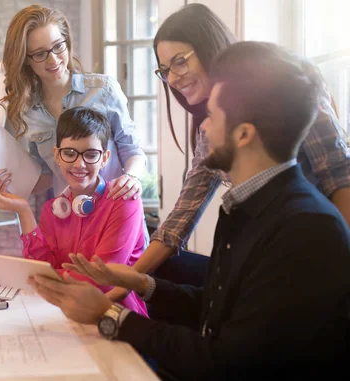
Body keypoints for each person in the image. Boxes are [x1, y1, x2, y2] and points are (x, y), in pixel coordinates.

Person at [29, 42, 350, 380]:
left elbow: (228, 361)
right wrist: (141, 282)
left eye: (212, 116)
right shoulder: (247, 208)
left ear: (243, 135)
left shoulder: (305, 229)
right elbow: (218, 307)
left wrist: (109, 315)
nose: (203, 128)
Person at [119, 3, 350, 295]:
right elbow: (180, 218)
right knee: (161, 275)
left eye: (179, 61)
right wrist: (122, 282)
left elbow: (341, 176)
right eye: (165, 70)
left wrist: (336, 265)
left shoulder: (285, 87)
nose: (173, 79)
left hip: (307, 248)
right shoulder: (211, 126)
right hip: (264, 249)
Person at [0, 107, 147, 316]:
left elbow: (101, 278)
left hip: (117, 316)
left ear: (104, 158)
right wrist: (23, 210)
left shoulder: (124, 201)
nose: (79, 164)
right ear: (57, 155)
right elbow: (41, 268)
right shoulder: (54, 209)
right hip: (62, 313)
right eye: (69, 153)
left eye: (91, 154)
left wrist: (46, 278)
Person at [0, 5, 147, 203]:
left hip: (116, 213)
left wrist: (131, 177)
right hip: (70, 221)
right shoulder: (28, 112)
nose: (53, 59)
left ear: (67, 42)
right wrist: (6, 186)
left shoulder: (103, 90)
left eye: (58, 46)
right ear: (25, 59)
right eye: (39, 54)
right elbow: (47, 177)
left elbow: (132, 151)